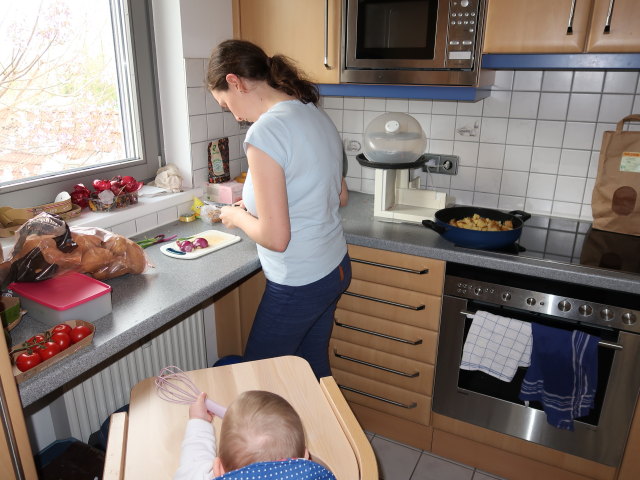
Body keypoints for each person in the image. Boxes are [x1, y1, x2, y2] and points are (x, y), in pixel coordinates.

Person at [206, 39, 351, 379]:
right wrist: (255, 205)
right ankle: (324, 431)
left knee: (259, 379)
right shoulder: (312, 112)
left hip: (299, 281)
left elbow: (276, 238)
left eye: (227, 105)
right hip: (334, 268)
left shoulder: (266, 131)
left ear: (235, 82)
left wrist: (237, 216)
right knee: (311, 373)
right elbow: (338, 195)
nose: (235, 116)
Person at [173, 390, 336, 480]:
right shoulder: (318, 475)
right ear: (305, 456)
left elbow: (192, 463)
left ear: (219, 469)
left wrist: (199, 421)